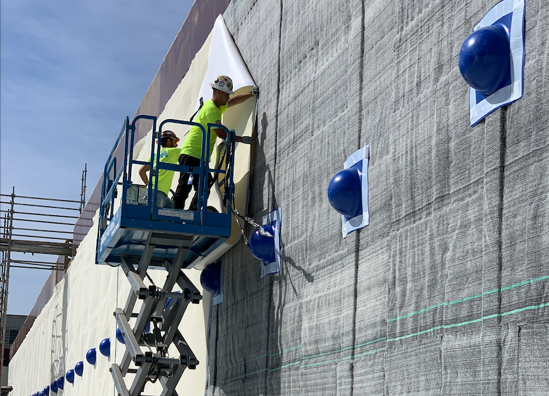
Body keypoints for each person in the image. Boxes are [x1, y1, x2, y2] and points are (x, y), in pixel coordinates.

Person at [172, 75, 257, 211]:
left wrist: (250, 94)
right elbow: (222, 134)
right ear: (219, 92)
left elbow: (234, 101)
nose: (228, 98)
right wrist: (242, 139)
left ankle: (191, 213)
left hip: (198, 156)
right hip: (192, 154)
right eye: (226, 95)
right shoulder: (211, 109)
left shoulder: (217, 107)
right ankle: (176, 214)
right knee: (186, 186)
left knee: (203, 186)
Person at [139, 130, 180, 208]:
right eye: (174, 141)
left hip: (150, 192)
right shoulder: (173, 152)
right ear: (168, 141)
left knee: (172, 210)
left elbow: (141, 172)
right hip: (159, 193)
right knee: (165, 216)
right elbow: (188, 154)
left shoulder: (154, 155)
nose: (176, 144)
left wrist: (149, 185)